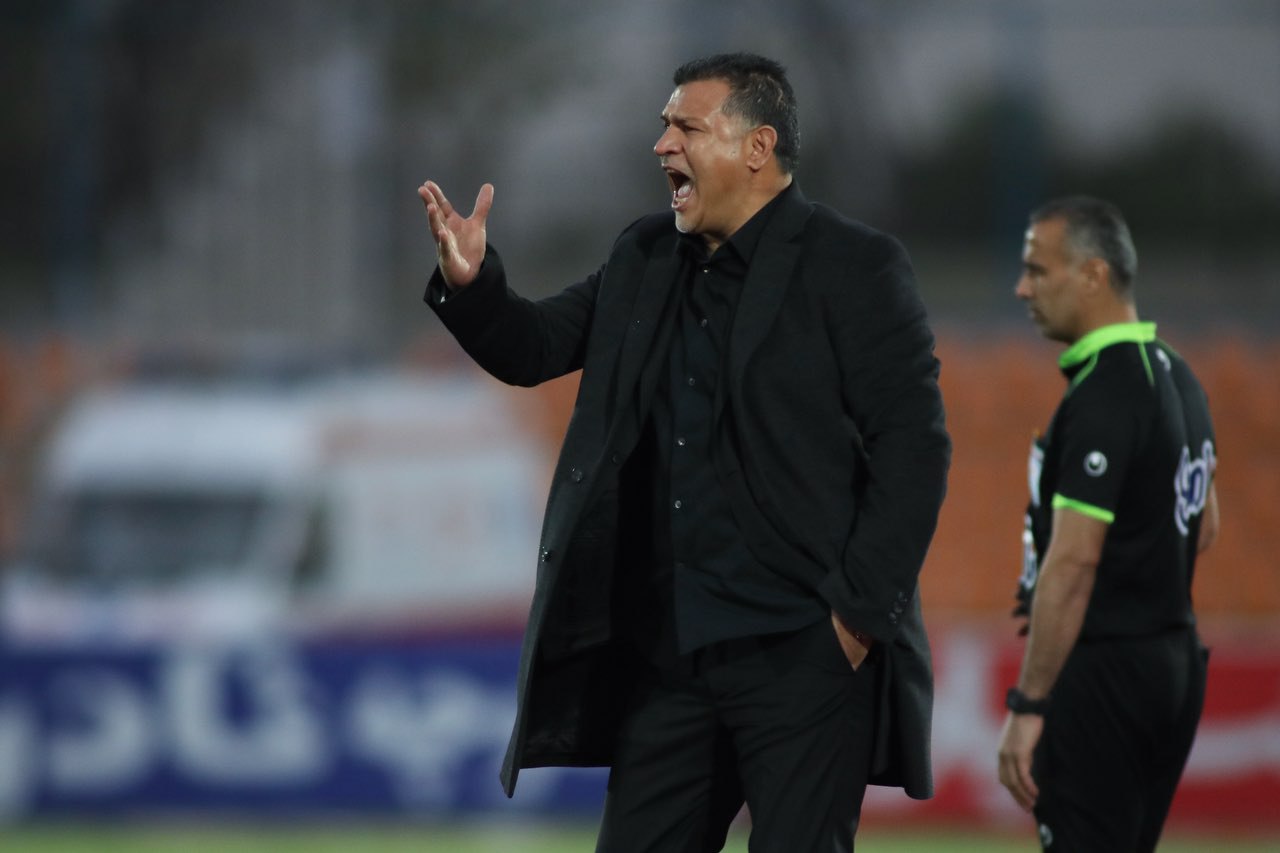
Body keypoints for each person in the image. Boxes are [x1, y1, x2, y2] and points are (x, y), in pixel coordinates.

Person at [420, 53, 950, 852]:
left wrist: (853, 621)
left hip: (802, 649)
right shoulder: (645, 257)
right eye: (663, 126)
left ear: (757, 146)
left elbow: (914, 448)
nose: (662, 144)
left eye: (686, 128)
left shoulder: (853, 265)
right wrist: (473, 285)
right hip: (669, 659)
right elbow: (536, 346)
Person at [997, 196, 1220, 851]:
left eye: (1037, 270)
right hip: (1175, 663)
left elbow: (1074, 561)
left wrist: (1029, 705)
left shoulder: (1105, 392)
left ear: (1092, 275)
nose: (1022, 288)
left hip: (1105, 673)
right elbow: (1204, 524)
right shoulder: (1179, 373)